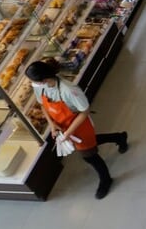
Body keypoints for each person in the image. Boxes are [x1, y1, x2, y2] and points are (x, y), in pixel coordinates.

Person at [25, 59, 128, 199]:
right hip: (62, 127)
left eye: (34, 81)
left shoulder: (69, 90)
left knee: (89, 156)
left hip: (79, 126)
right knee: (88, 145)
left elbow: (84, 111)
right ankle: (119, 137)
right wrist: (52, 124)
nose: (33, 84)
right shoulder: (39, 87)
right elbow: (42, 105)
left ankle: (106, 179)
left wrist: (68, 132)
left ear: (44, 79)